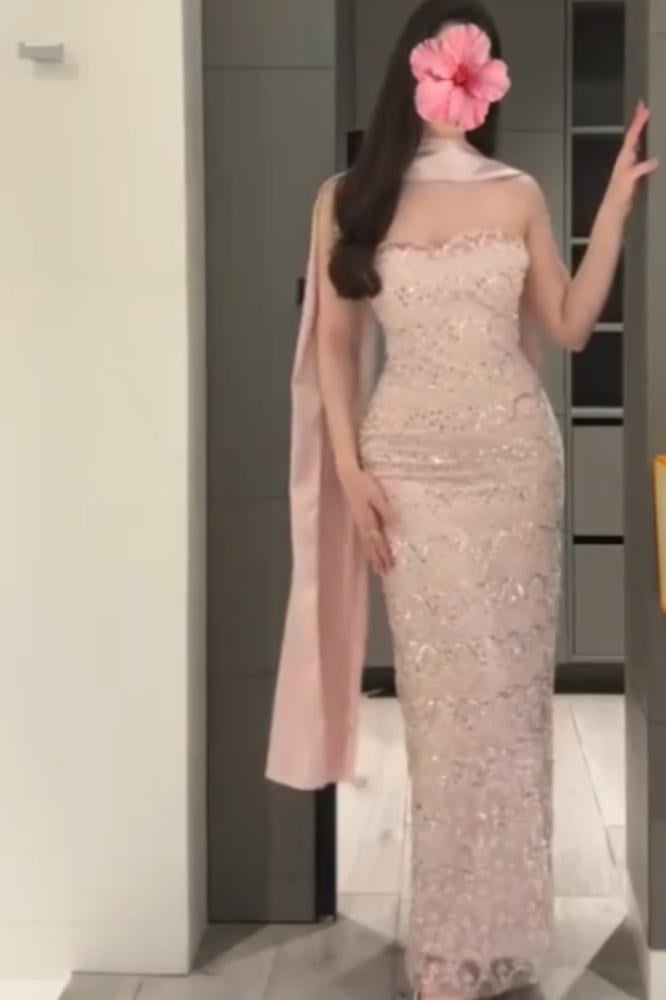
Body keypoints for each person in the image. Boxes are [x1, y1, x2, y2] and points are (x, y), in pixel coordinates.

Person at [265, 1, 657, 998]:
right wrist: (351, 469)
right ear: (417, 75)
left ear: (487, 84)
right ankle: (447, 946)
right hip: (408, 474)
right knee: (442, 716)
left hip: (514, 468)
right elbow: (336, 346)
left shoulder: (518, 191)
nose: (456, 85)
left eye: (471, 70)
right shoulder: (347, 198)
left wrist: (613, 206)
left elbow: (568, 325)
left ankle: (505, 939)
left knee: (512, 711)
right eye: (446, 66)